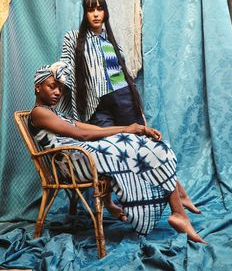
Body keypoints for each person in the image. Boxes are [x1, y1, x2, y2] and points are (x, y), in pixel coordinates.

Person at [29, 61, 207, 243]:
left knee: (136, 142)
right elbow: (81, 134)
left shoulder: (55, 114)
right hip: (74, 165)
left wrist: (131, 128)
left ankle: (178, 206)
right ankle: (177, 201)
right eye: (52, 87)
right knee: (131, 144)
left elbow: (92, 129)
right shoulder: (39, 113)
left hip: (82, 157)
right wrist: (126, 130)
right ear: (37, 87)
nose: (58, 93)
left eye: (60, 88)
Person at [60, 0, 201, 215]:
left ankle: (179, 193)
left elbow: (124, 76)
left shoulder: (110, 40)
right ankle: (108, 203)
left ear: (105, 12)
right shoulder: (74, 38)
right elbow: (66, 66)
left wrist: (138, 112)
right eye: (90, 9)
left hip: (122, 97)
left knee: (145, 143)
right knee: (109, 148)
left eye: (100, 9)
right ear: (85, 13)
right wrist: (53, 75)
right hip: (96, 105)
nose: (96, 14)